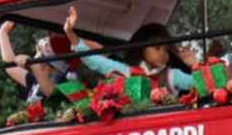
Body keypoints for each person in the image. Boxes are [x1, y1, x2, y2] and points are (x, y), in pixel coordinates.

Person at [64, 6, 197, 94]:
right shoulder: (126, 71)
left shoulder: (172, 75)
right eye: (157, 48)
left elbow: (202, 86)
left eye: (167, 50)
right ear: (142, 48)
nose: (164, 53)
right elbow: (93, 60)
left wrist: (194, 64)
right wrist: (70, 32)